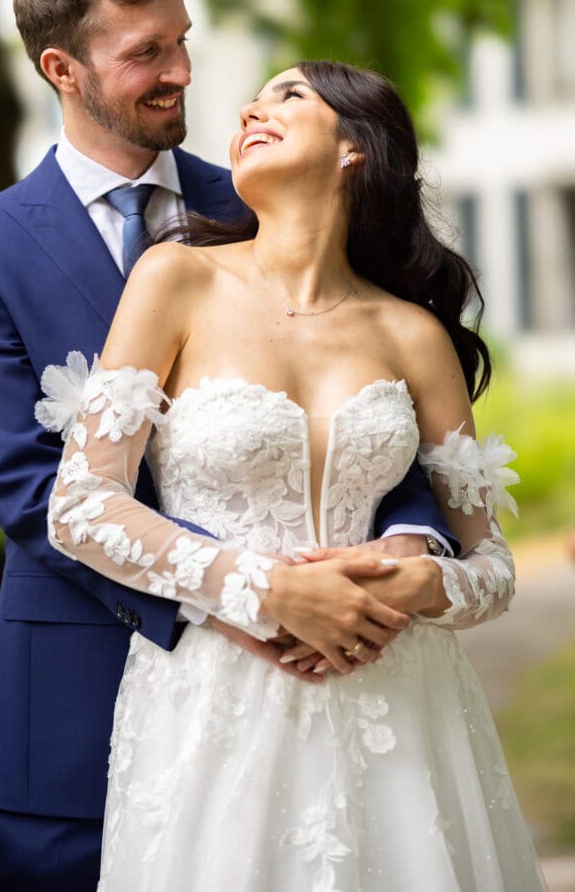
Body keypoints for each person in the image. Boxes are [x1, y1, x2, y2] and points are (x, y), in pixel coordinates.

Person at [0, 0, 453, 891]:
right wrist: (248, 599)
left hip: (309, 696)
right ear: (62, 70)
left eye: (182, 40)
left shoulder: (276, 196)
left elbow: (389, 421)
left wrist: (398, 558)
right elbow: (27, 490)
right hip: (71, 711)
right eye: (145, 53)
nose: (181, 73)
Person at [38, 60, 547, 890]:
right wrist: (265, 590)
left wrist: (422, 584)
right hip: (217, 700)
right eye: (253, 100)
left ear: (354, 149)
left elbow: (490, 567)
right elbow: (81, 506)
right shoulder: (175, 278)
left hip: (401, 704)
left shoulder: (413, 334)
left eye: (288, 95)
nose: (251, 109)